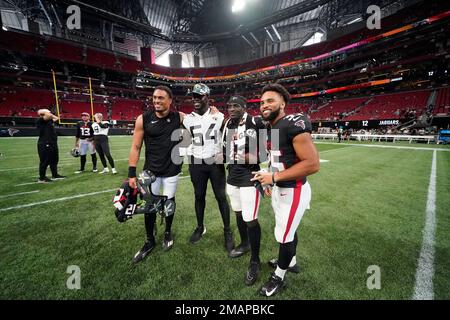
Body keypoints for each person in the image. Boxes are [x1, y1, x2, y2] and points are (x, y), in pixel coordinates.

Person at [251, 83, 320, 297]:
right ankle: (292, 262)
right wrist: (270, 179)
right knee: (288, 230)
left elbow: (312, 163)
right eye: (262, 102)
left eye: (270, 100)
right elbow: (282, 159)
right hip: (281, 188)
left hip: (293, 190)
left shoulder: (292, 123)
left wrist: (274, 177)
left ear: (283, 102)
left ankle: (279, 277)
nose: (264, 105)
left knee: (284, 236)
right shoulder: (272, 126)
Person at [128, 85, 184, 263]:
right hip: (150, 171)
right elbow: (136, 147)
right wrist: (131, 174)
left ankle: (167, 232)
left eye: (161, 98)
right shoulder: (143, 119)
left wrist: (213, 111)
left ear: (170, 101)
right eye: (154, 98)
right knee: (149, 204)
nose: (156, 101)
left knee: (169, 203)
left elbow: (201, 121)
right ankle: (149, 240)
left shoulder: (180, 117)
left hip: (171, 171)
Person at [183, 83, 234, 254]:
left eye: (199, 95)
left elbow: (230, 137)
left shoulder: (219, 117)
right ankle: (200, 227)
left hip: (214, 163)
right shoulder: (188, 119)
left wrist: (225, 155)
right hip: (196, 163)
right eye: (194, 96)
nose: (195, 99)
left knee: (221, 197)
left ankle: (227, 231)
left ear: (208, 97)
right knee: (199, 196)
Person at [223, 95, 266, 285]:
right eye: (229, 106)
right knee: (238, 214)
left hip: (250, 177)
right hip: (232, 177)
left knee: (250, 219)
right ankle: (245, 243)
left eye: (235, 106)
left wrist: (244, 157)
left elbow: (264, 153)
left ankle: (255, 260)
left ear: (244, 106)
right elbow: (226, 152)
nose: (231, 109)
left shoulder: (255, 122)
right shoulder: (228, 124)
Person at [36, 108, 66, 182]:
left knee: (54, 160)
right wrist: (47, 112)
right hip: (45, 143)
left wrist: (50, 113)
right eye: (48, 112)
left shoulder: (49, 121)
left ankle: (55, 175)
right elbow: (41, 113)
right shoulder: (41, 120)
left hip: (52, 143)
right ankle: (42, 178)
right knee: (45, 161)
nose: (50, 113)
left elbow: (57, 118)